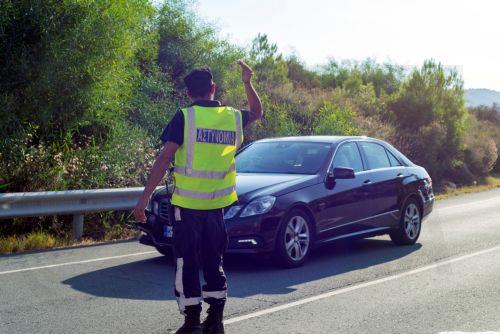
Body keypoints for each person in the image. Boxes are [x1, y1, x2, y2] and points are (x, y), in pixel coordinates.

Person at [134, 61, 262, 334]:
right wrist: (247, 82)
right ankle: (215, 321)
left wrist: (143, 199)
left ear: (189, 94)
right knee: (213, 261)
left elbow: (164, 158)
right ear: (213, 89)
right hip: (218, 206)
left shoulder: (185, 117)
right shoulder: (232, 117)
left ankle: (192, 321)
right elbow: (257, 112)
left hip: (187, 206)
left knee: (186, 262)